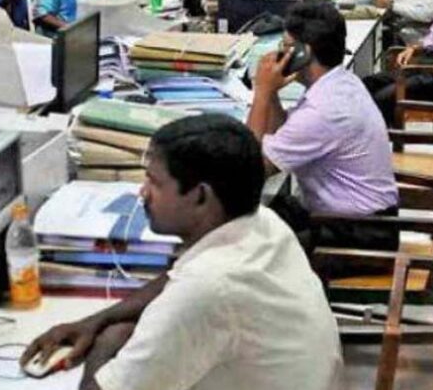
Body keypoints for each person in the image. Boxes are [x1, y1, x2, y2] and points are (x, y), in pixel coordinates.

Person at [20, 115, 342, 390]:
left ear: (200, 196)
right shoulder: (262, 223)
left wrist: (105, 344)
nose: (142, 192)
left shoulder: (207, 287)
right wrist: (96, 321)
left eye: (154, 182)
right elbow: (175, 277)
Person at [247, 1, 399, 253]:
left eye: (285, 46)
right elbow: (283, 131)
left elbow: (248, 171)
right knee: (272, 212)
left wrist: (262, 92)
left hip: (359, 234)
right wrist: (271, 94)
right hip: (359, 220)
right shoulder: (341, 83)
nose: (279, 54)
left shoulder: (324, 111)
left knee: (252, 243)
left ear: (303, 53)